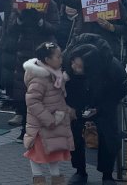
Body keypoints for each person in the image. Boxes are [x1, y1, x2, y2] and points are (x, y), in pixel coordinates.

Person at [0, 0, 60, 141]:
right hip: (23, 53)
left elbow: (55, 27)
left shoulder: (49, 3)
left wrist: (40, 22)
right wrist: (21, 19)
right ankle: (26, 128)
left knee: (43, 93)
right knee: (24, 92)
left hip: (44, 54)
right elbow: (11, 28)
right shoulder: (17, 4)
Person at [63, 34, 127, 185]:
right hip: (76, 98)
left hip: (103, 99)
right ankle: (80, 171)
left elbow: (120, 91)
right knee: (73, 135)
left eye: (79, 67)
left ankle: (107, 175)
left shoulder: (113, 68)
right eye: (73, 63)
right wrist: (67, 107)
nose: (74, 67)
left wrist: (100, 108)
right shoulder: (66, 60)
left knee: (109, 135)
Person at [23, 42, 74, 185]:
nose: (61, 59)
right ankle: (39, 179)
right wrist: (50, 119)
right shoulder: (39, 78)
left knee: (53, 152)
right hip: (42, 126)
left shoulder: (54, 75)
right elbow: (32, 102)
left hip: (53, 124)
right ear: (47, 60)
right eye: (58, 57)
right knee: (37, 154)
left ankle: (56, 179)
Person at [59, 0, 127, 59]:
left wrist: (111, 27)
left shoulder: (115, 3)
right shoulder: (84, 1)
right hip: (84, 47)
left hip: (108, 49)